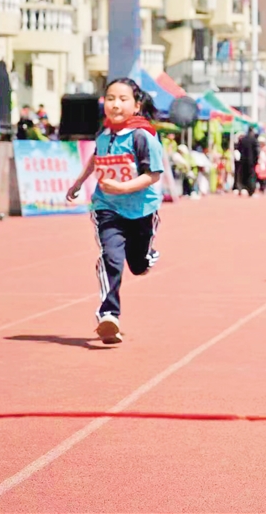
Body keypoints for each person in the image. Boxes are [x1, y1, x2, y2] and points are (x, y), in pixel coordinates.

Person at [67, 79, 164, 345]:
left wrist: (122, 188)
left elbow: (153, 175)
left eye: (123, 99)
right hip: (107, 207)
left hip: (141, 209)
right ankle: (109, 314)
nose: (115, 104)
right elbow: (96, 157)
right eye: (110, 98)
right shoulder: (104, 133)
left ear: (137, 105)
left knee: (137, 264)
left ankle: (147, 256)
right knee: (111, 257)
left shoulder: (142, 135)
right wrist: (79, 181)